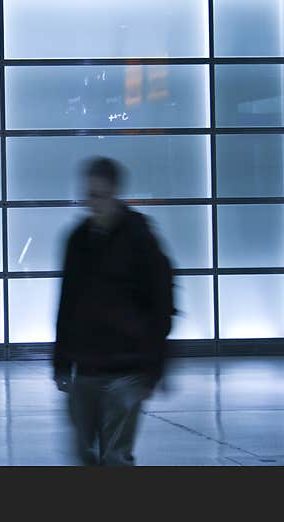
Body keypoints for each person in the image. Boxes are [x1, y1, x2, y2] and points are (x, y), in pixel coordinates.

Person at [53, 157, 175, 466]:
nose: (93, 203)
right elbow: (67, 301)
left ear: (114, 194)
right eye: (90, 195)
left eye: (100, 195)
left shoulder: (138, 237)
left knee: (115, 456)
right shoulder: (78, 240)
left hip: (127, 368)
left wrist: (154, 367)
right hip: (88, 367)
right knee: (85, 451)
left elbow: (161, 301)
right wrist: (61, 360)